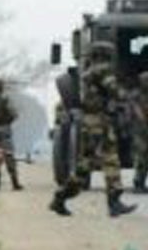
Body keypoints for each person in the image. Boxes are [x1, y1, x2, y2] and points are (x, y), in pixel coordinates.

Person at [51, 43, 136, 218]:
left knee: (93, 165)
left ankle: (63, 199)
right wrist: (130, 98)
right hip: (97, 122)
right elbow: (114, 90)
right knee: (103, 162)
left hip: (94, 122)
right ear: (105, 55)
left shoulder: (89, 72)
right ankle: (111, 202)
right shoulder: (102, 70)